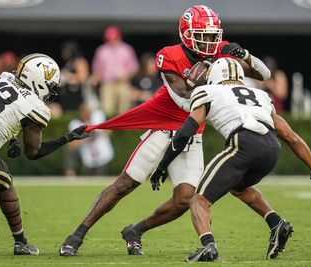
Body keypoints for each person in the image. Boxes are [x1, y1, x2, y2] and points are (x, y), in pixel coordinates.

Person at [59, 5, 271, 257]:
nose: (209, 42)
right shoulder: (169, 55)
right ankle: (76, 236)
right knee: (125, 185)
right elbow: (183, 98)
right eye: (202, 36)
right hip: (164, 126)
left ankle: (135, 231)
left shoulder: (220, 53)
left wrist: (244, 55)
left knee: (184, 199)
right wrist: (209, 72)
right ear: (186, 34)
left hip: (193, 133)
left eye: (212, 36)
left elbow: (263, 74)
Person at [150, 58, 311, 262]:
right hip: (271, 148)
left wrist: (162, 166)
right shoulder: (261, 95)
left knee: (198, 200)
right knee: (238, 187)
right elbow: (291, 136)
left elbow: (184, 133)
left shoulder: (207, 91)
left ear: (214, 75)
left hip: (243, 143)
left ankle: (208, 246)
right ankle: (277, 223)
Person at [0, 53, 89, 255]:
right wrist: (67, 138)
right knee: (4, 180)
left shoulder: (6, 79)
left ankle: (21, 243)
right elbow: (33, 153)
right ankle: (21, 243)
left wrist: (12, 137)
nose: (52, 91)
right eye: (50, 85)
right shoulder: (35, 108)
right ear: (38, 80)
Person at [91, 25, 139, 117]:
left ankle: (122, 131)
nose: (112, 41)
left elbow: (134, 67)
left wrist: (126, 75)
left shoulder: (126, 49)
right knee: (107, 109)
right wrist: (95, 78)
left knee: (124, 110)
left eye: (114, 38)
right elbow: (96, 68)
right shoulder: (101, 51)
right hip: (107, 84)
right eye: (109, 39)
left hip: (123, 84)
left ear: (119, 37)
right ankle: (107, 131)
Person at [64, 104, 114, 177]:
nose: (87, 115)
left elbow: (109, 131)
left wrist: (98, 132)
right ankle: (70, 174)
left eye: (88, 113)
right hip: (86, 153)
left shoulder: (97, 118)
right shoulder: (75, 124)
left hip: (100, 153)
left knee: (99, 176)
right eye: (85, 113)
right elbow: (71, 145)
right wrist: (84, 138)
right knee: (71, 151)